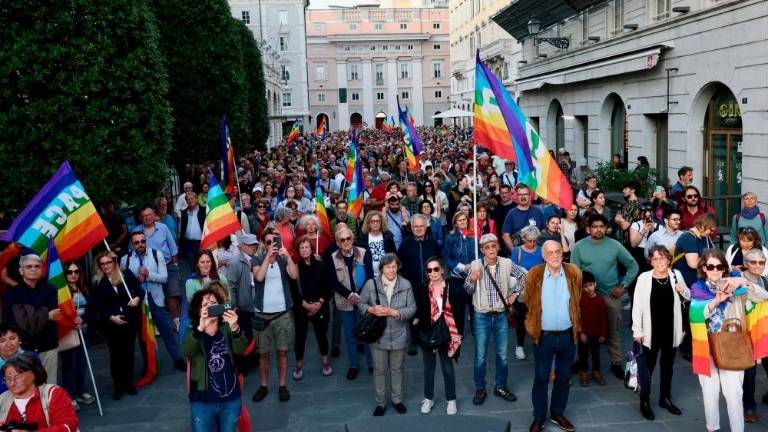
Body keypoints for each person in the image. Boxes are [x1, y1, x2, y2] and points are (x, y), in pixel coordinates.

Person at [690, 249, 768, 432]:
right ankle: (712, 427)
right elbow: (695, 314)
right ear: (704, 268)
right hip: (707, 346)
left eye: (720, 266)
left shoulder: (737, 285)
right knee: (709, 392)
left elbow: (764, 297)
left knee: (734, 392)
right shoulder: (698, 288)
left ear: (725, 268)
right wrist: (716, 301)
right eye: (710, 266)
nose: (715, 270)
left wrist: (742, 281)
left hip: (733, 346)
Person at [571, 214, 639, 380]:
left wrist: (623, 286)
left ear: (606, 228)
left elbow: (633, 265)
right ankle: (582, 361)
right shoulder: (579, 247)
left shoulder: (615, 245)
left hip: (609, 295)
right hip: (585, 298)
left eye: (601, 226)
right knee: (582, 331)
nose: (598, 229)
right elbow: (573, 273)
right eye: (594, 226)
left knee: (613, 331)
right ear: (588, 228)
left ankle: (615, 363)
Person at [524, 240, 582, 432]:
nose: (555, 255)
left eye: (558, 251)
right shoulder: (534, 274)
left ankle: (557, 413)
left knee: (563, 378)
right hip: (544, 337)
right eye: (550, 252)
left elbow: (577, 300)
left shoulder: (574, 273)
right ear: (543, 255)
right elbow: (528, 300)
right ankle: (539, 417)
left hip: (567, 336)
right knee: (541, 378)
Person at [465, 234, 526, 405]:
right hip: (481, 316)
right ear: (482, 250)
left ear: (498, 247)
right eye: (487, 247)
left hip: (500, 315)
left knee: (502, 355)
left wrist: (515, 294)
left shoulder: (506, 263)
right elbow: (467, 290)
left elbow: (524, 275)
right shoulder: (476, 265)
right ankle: (480, 387)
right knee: (480, 356)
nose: (491, 249)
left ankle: (501, 385)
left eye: (493, 246)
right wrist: (472, 279)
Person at [632, 245, 690, 420]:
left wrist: (683, 290)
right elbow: (637, 306)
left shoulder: (676, 275)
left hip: (671, 329)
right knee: (647, 368)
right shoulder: (644, 278)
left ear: (668, 260)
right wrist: (637, 330)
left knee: (668, 366)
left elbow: (688, 297)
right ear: (650, 261)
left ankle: (665, 397)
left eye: (662, 258)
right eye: (655, 259)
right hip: (650, 331)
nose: (659, 262)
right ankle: (644, 401)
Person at [183, 287, 248, 432]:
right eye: (205, 305)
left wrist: (235, 327)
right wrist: (200, 328)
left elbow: (241, 349)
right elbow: (186, 350)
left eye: (214, 303)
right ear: (198, 311)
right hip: (202, 401)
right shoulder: (192, 331)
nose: (210, 307)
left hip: (231, 399)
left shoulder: (226, 328)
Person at [358, 253, 416, 416]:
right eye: (387, 267)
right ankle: (380, 403)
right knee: (379, 370)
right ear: (381, 268)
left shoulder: (406, 284)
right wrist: (371, 309)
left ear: (398, 267)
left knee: (397, 369)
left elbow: (412, 308)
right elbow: (361, 304)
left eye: (394, 266)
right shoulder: (371, 284)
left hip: (399, 334)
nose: (391, 270)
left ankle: (397, 401)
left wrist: (395, 312)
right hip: (378, 335)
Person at [121, 232, 184, 373]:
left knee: (166, 331)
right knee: (143, 334)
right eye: (136, 242)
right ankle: (149, 363)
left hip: (155, 298)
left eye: (142, 241)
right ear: (132, 245)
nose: (140, 245)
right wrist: (137, 279)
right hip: (138, 301)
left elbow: (164, 278)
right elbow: (124, 284)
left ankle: (178, 359)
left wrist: (148, 274)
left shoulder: (157, 255)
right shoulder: (126, 260)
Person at [250, 228, 299, 403]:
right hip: (262, 315)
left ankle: (282, 385)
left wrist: (287, 256)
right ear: (263, 243)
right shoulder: (256, 259)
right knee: (263, 354)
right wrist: (267, 258)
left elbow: (294, 275)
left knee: (282, 352)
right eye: (268, 242)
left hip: (282, 314)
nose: (272, 245)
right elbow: (259, 277)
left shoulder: (282, 259)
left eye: (274, 242)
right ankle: (263, 386)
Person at [89, 250, 143, 400]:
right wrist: (111, 317)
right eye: (103, 263)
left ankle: (128, 383)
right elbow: (97, 305)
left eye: (108, 262)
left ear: (114, 261)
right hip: (112, 323)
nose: (106, 266)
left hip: (129, 320)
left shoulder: (126, 275)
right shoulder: (97, 281)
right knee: (116, 355)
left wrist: (137, 299)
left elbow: (140, 289)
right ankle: (118, 386)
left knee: (128, 352)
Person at [413, 257, 461, 415]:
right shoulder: (423, 287)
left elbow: (459, 311)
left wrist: (457, 333)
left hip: (447, 332)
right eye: (429, 270)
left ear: (441, 270)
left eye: (435, 269)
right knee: (428, 368)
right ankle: (428, 398)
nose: (432, 273)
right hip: (428, 332)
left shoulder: (451, 286)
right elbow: (419, 310)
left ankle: (451, 400)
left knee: (447, 368)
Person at [2, 254, 59, 384]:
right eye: (29, 266)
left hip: (48, 345)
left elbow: (52, 315)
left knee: (50, 385)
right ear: (21, 270)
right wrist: (46, 315)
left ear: (41, 269)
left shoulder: (50, 290)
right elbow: (18, 323)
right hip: (24, 348)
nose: (33, 269)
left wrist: (32, 317)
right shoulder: (11, 293)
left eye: (37, 266)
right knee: (27, 386)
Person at [328, 227, 374, 380]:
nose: (346, 242)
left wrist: (360, 296)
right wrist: (349, 294)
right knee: (350, 336)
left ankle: (371, 364)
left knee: (366, 333)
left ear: (352, 239)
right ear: (338, 242)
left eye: (348, 238)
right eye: (342, 240)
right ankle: (354, 365)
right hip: (344, 302)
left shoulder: (363, 252)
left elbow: (370, 277)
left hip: (363, 301)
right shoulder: (333, 257)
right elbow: (332, 281)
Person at [397, 214, 441, 355]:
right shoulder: (405, 243)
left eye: (421, 226)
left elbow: (440, 263)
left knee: (429, 312)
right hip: (412, 285)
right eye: (415, 226)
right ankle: (413, 342)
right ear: (411, 227)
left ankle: (428, 338)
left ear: (426, 226)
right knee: (412, 313)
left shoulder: (433, 243)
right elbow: (399, 263)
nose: (419, 229)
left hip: (431, 285)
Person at [133, 204, 181, 332]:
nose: (147, 218)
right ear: (140, 218)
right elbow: (132, 251)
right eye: (144, 216)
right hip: (148, 270)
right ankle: (156, 325)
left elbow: (173, 247)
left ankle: (177, 321)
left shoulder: (163, 228)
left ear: (154, 216)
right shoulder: (136, 232)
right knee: (153, 297)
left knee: (172, 294)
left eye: (149, 215)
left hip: (168, 265)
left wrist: (175, 265)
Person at [0, 352, 79, 431]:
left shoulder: (54, 394)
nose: (12, 383)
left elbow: (69, 427)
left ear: (34, 374)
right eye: (8, 379)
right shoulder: (2, 399)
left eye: (17, 377)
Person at [293, 236, 333, 380]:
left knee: (321, 334)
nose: (304, 250)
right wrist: (306, 305)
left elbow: (328, 287)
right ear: (298, 250)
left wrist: (319, 303)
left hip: (320, 306)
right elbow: (293, 290)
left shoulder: (320, 265)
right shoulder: (295, 267)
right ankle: (299, 365)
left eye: (307, 247)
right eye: (301, 248)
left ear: (311, 249)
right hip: (301, 308)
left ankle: (325, 362)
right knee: (300, 337)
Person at [60, 261, 95, 411]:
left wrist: (84, 319)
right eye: (69, 272)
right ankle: (70, 395)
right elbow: (59, 312)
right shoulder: (62, 291)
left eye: (76, 272)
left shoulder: (84, 288)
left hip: (84, 330)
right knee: (69, 364)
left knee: (82, 362)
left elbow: (93, 309)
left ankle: (81, 390)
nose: (73, 275)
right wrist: (71, 322)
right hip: (69, 332)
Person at [739, 248, 768, 422]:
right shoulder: (738, 281)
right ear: (746, 263)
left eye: (762, 262)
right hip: (746, 332)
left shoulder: (765, 280)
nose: (758, 265)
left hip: (764, 331)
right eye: (754, 262)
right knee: (749, 372)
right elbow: (758, 298)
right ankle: (748, 406)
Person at [224, 234, 260, 370]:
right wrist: (234, 307)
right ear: (243, 246)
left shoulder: (259, 258)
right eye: (250, 245)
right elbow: (231, 286)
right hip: (243, 307)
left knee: (255, 334)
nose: (253, 247)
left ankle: (253, 359)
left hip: (257, 305)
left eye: (255, 245)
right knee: (244, 335)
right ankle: (242, 365)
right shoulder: (235, 263)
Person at [510, 225, 545, 361]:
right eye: (529, 240)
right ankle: (519, 345)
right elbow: (512, 270)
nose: (531, 243)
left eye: (534, 241)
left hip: (538, 289)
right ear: (523, 238)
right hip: (522, 289)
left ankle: (538, 341)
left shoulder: (542, 251)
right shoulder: (516, 251)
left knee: (539, 317)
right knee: (521, 319)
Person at [442, 211, 476, 336]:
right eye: (459, 220)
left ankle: (475, 328)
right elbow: (446, 257)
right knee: (459, 308)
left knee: (474, 305)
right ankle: (459, 332)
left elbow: (480, 254)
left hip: (472, 276)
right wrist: (461, 267)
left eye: (464, 220)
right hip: (457, 277)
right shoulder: (451, 238)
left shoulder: (473, 236)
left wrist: (473, 265)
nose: (462, 222)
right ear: (455, 223)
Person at [577, 272, 606, 387]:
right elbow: (578, 317)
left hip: (596, 334)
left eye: (590, 285)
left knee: (596, 354)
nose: (588, 288)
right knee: (583, 354)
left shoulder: (600, 300)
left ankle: (596, 371)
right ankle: (583, 373)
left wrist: (603, 334)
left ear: (595, 284)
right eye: (585, 286)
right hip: (584, 334)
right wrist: (581, 332)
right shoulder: (580, 300)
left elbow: (604, 319)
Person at [502, 183, 544, 252]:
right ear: (517, 196)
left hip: (536, 253)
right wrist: (514, 252)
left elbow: (543, 231)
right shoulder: (511, 213)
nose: (523, 197)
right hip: (520, 254)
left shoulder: (538, 212)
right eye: (520, 195)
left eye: (525, 194)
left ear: (529, 196)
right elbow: (505, 235)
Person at [0, 325, 41, 394]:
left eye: (12, 338)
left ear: (19, 339)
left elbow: (41, 383)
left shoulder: (32, 357)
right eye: (2, 341)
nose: (9, 344)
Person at [357, 211, 397, 277]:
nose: (375, 223)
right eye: (372, 221)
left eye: (377, 221)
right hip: (370, 276)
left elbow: (394, 256)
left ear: (381, 222)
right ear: (368, 223)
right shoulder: (363, 239)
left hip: (388, 275)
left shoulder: (388, 237)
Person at [180, 191, 206, 262]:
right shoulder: (184, 212)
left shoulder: (203, 210)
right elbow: (182, 228)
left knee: (200, 263)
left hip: (200, 243)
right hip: (187, 243)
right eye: (188, 199)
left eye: (192, 198)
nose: (190, 200)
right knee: (191, 264)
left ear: (196, 199)